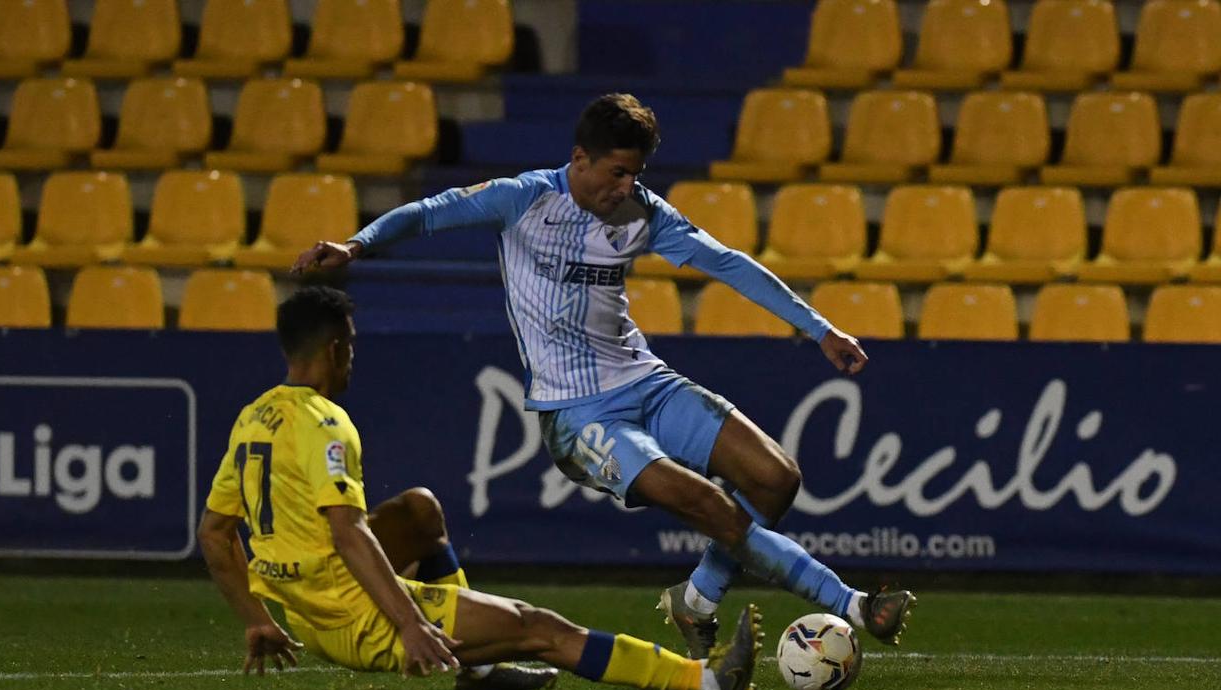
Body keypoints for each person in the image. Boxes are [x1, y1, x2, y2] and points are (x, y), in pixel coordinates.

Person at [291, 93, 915, 661]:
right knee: (706, 503)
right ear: (579, 159)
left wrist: (820, 328)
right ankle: (852, 604)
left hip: (646, 381)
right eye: (617, 171)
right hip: (578, 414)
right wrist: (356, 245)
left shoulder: (643, 214)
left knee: (776, 479)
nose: (627, 186)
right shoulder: (525, 199)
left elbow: (727, 264)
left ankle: (697, 599)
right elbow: (431, 212)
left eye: (635, 173)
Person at [197, 286, 762, 690]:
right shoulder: (326, 424)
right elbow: (349, 531)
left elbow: (215, 534)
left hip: (305, 608)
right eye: (352, 347)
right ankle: (705, 681)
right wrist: (409, 624)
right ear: (337, 348)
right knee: (541, 628)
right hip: (356, 616)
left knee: (418, 510)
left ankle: (479, 673)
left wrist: (257, 619)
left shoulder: (254, 418)